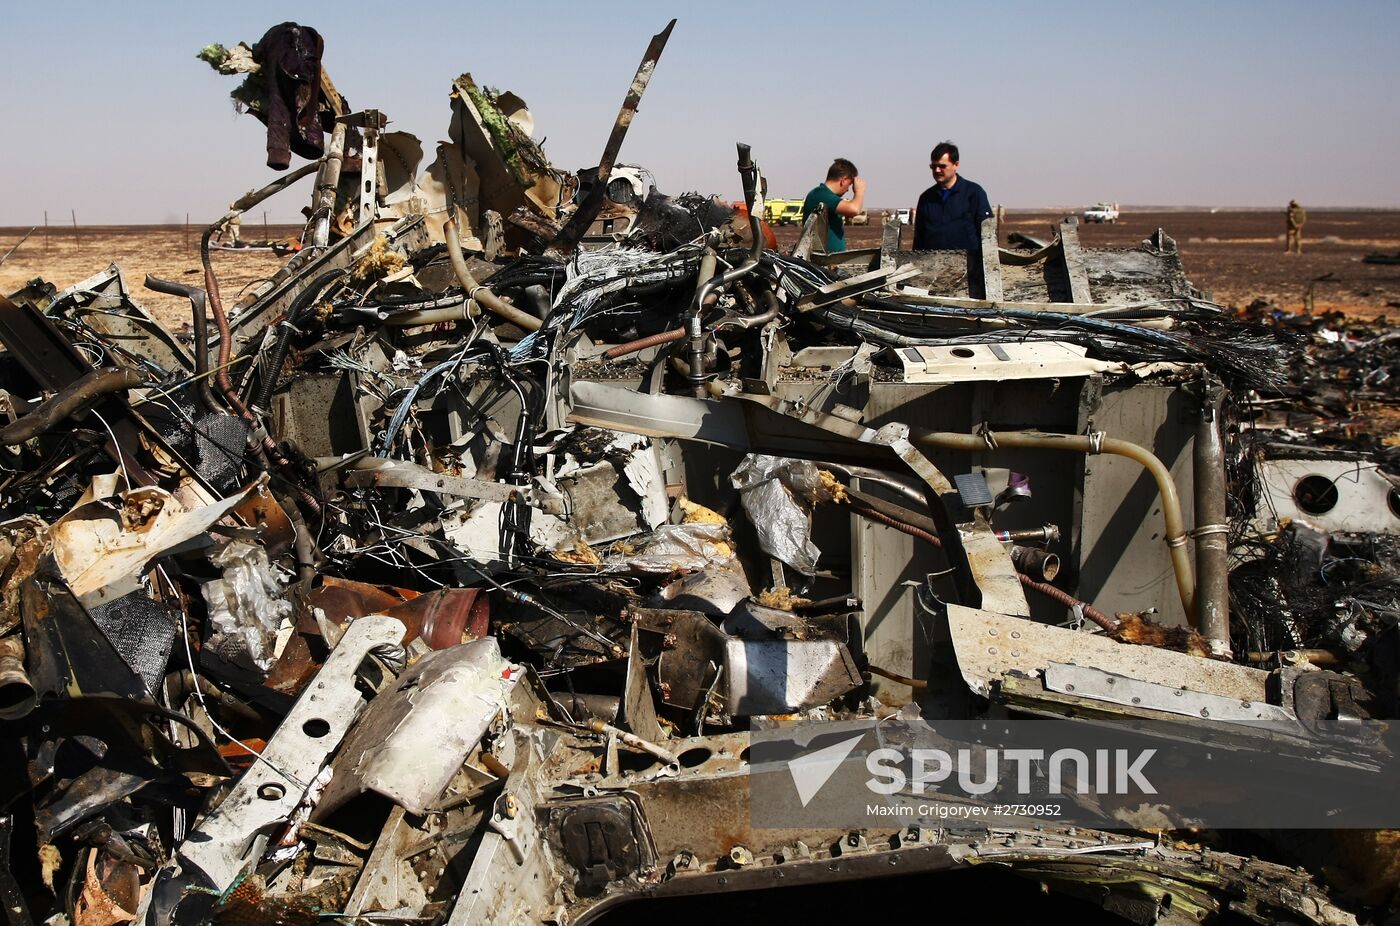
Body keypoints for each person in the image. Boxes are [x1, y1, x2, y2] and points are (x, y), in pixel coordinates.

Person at [913, 141, 993, 251]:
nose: (937, 170)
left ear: (956, 165)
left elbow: (986, 232)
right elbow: (919, 238)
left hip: (968, 264)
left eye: (942, 166)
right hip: (932, 264)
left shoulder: (974, 193)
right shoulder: (926, 198)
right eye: (933, 166)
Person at [802, 159, 866, 253]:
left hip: (831, 260)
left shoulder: (826, 196)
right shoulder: (821, 194)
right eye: (849, 185)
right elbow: (854, 210)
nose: (848, 190)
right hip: (822, 262)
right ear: (843, 180)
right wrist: (859, 191)